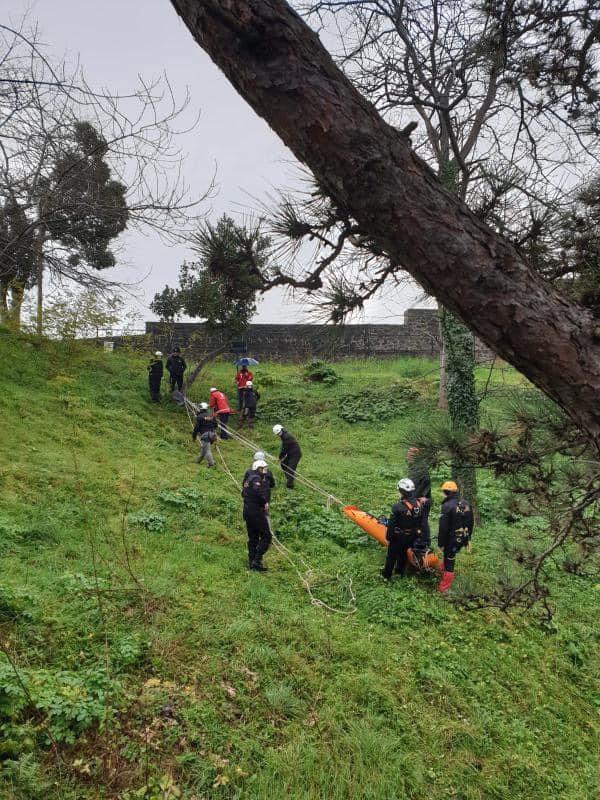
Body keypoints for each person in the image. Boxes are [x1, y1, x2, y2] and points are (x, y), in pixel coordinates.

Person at [381, 478, 425, 581]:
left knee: (391, 556)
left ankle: (386, 576)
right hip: (412, 536)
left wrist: (388, 537)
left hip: (398, 536)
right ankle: (399, 572)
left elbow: (392, 524)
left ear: (402, 491)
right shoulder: (419, 504)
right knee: (403, 553)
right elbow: (421, 521)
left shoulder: (397, 507)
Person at [437, 480, 474, 594]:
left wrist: (440, 544)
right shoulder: (466, 503)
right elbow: (470, 523)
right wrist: (468, 539)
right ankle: (441, 571)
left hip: (451, 539)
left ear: (446, 492)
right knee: (449, 556)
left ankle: (443, 588)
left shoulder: (447, 506)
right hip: (462, 537)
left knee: (450, 561)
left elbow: (443, 528)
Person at [242, 459, 272, 571]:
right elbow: (257, 492)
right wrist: (264, 502)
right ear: (258, 468)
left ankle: (252, 563)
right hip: (256, 513)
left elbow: (243, 493)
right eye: (263, 469)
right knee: (267, 536)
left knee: (253, 537)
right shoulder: (256, 479)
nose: (265, 472)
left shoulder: (248, 480)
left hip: (247, 512)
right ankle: (257, 560)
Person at [406, 447, 432, 551]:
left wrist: (412, 499)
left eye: (410, 455)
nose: (407, 456)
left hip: (421, 501)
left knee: (422, 522)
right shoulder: (414, 467)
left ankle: (423, 543)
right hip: (418, 499)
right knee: (417, 522)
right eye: (408, 454)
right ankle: (416, 541)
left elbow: (418, 486)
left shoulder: (419, 469)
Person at [273, 424, 302, 489]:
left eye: (277, 434)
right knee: (283, 464)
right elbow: (284, 448)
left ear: (280, 431)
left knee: (290, 469)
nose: (277, 435)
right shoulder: (283, 435)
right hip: (291, 453)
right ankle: (289, 478)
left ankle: (290, 486)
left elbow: (284, 449)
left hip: (295, 454)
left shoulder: (286, 437)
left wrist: (280, 457)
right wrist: (280, 458)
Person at [191, 402, 217, 467]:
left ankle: (211, 463)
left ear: (200, 409)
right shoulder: (211, 416)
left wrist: (194, 436)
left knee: (207, 450)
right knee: (204, 448)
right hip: (212, 435)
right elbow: (216, 425)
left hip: (205, 435)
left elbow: (196, 428)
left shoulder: (199, 417)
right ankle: (198, 461)